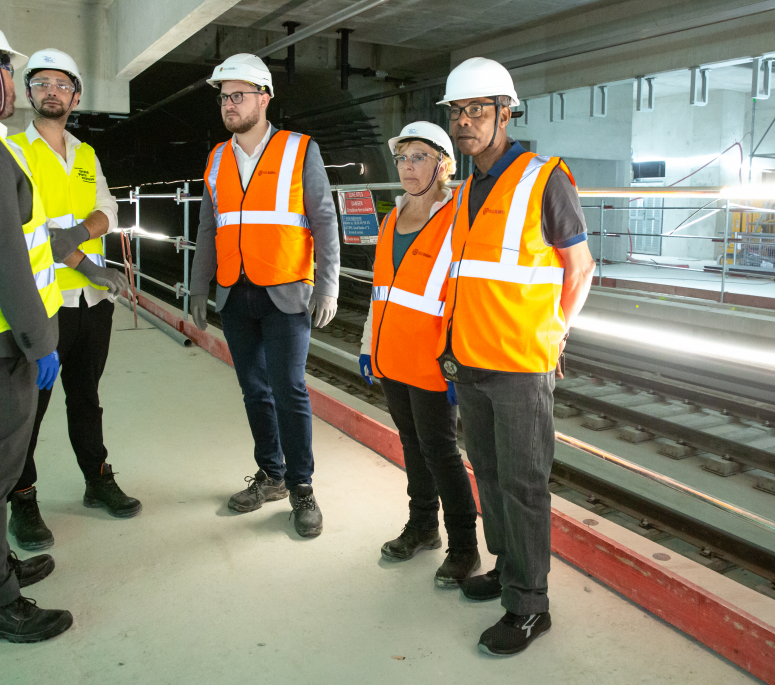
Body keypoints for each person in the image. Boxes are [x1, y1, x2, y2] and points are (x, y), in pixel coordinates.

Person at [436, 57, 596, 656]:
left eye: (478, 110)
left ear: (507, 112)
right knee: (492, 473)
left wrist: (553, 335)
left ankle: (530, 605)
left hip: (522, 366)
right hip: (473, 361)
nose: (465, 122)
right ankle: (506, 570)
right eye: (457, 111)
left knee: (524, 483)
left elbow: (579, 269)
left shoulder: (543, 177)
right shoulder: (466, 188)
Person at [190, 54, 340, 538]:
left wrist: (328, 284)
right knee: (253, 389)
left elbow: (323, 220)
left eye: (238, 96)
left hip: (286, 293)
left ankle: (302, 487)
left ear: (264, 99)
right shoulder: (216, 158)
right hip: (235, 293)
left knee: (289, 389)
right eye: (223, 97)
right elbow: (209, 226)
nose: (228, 105)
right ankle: (271, 474)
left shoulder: (300, 150)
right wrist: (198, 285)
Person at [6, 49, 135, 552]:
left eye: (62, 84)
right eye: (42, 83)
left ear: (76, 96)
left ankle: (97, 477)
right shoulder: (15, 153)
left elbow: (107, 206)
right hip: (41, 306)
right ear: (29, 93)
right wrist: (86, 258)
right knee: (28, 411)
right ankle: (23, 497)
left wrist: (81, 234)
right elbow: (32, 232)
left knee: (86, 397)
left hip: (91, 303)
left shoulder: (84, 154)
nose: (52, 91)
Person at [358, 122, 479, 587]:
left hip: (432, 360)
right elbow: (380, 290)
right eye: (403, 158)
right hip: (392, 358)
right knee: (412, 446)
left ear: (443, 165)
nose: (408, 167)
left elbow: (462, 293)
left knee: (441, 452)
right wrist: (369, 344)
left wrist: (456, 358)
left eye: (420, 158)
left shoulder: (457, 219)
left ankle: (464, 547)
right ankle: (423, 526)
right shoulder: (392, 217)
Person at [0, 30, 73, 642]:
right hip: (8, 342)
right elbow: (8, 258)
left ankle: (2, 568)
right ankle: (2, 603)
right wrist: (40, 341)